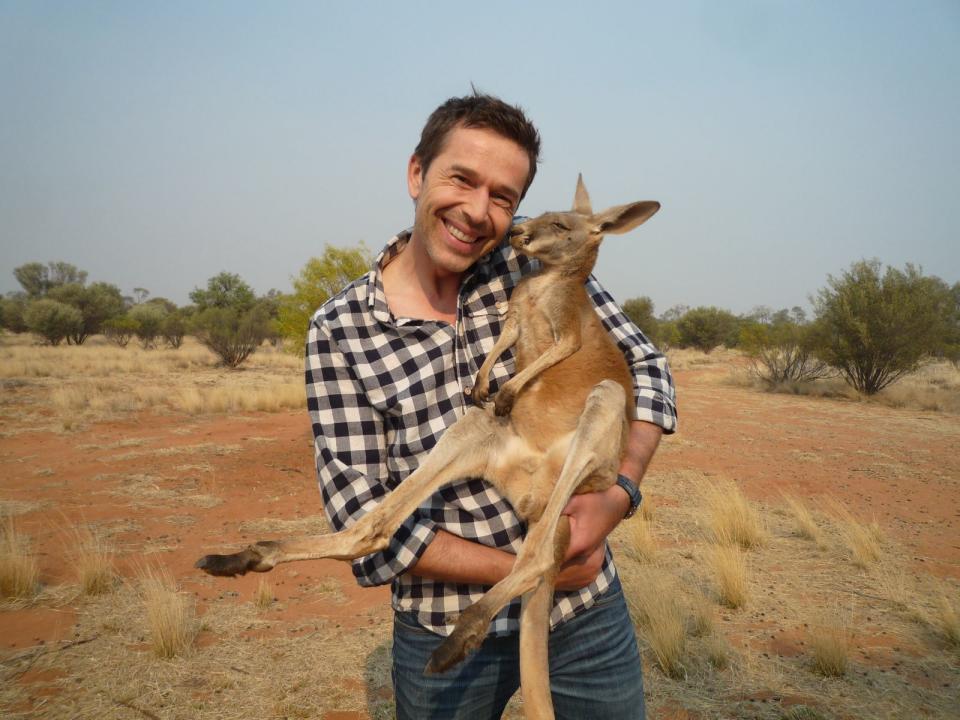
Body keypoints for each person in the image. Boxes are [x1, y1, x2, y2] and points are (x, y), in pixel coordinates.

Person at [305, 92, 677, 720]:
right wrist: (529, 569)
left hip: (584, 614)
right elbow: (364, 517)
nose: (478, 212)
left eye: (502, 197)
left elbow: (648, 369)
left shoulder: (534, 264)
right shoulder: (340, 329)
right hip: (444, 620)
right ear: (416, 173)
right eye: (462, 179)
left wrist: (620, 493)